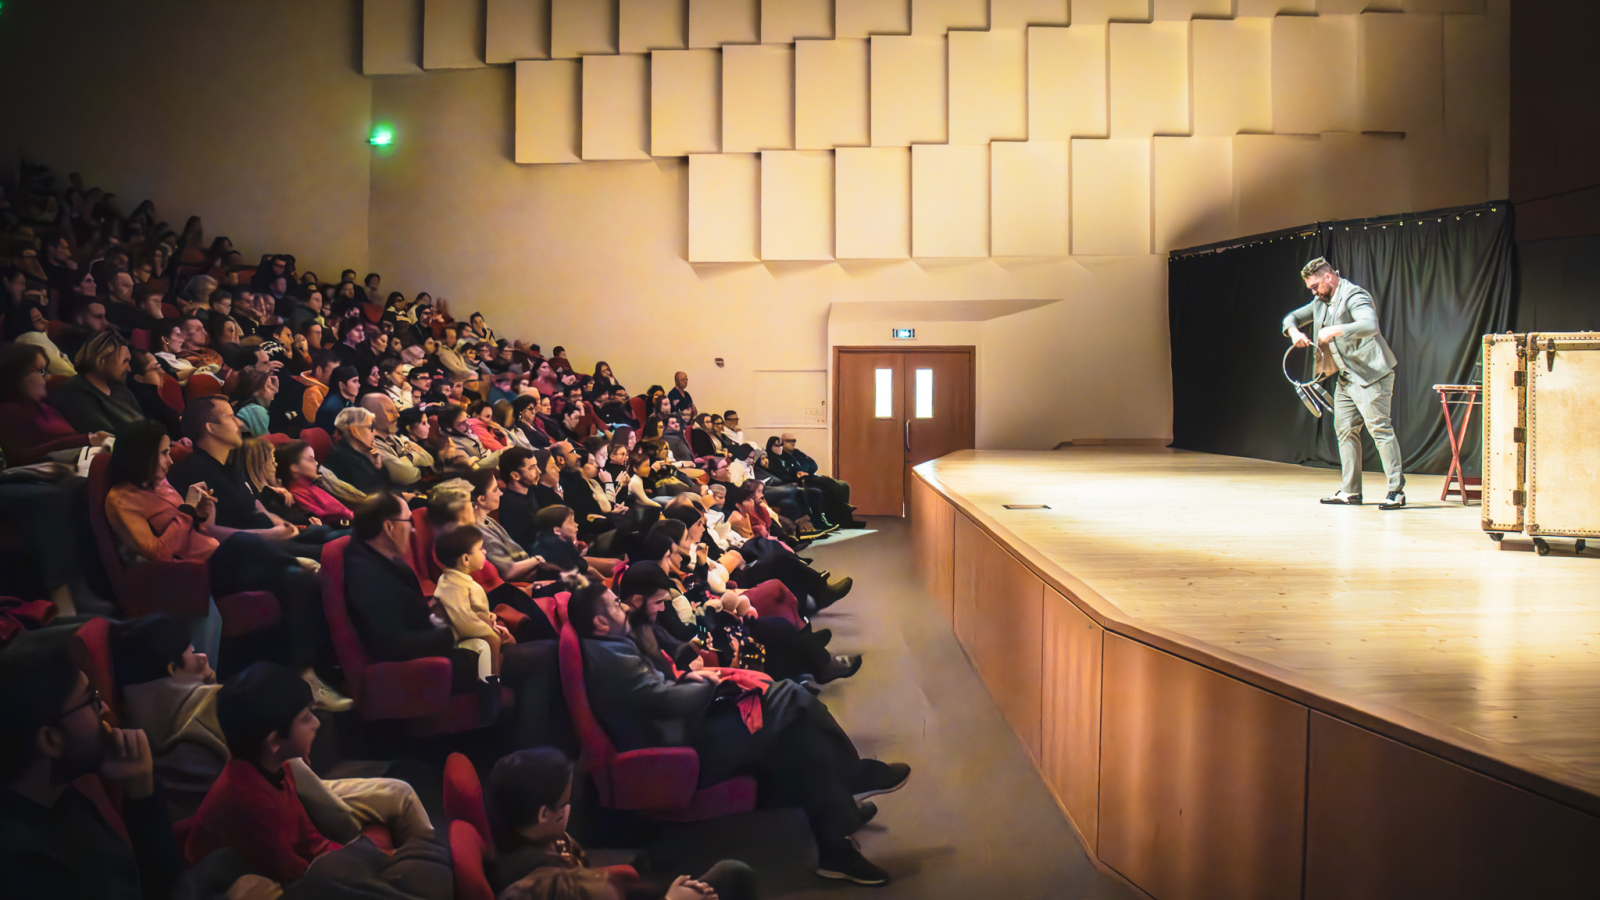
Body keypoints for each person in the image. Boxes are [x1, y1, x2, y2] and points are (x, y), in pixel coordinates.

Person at [569, 579, 910, 885]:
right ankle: (852, 780)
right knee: (793, 698)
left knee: (799, 736)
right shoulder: (611, 657)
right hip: (680, 749)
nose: (623, 605)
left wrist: (689, 680)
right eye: (614, 604)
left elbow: (654, 694)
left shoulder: (611, 646)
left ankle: (837, 833)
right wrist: (705, 684)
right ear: (599, 622)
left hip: (685, 728)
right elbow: (662, 700)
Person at [0, 627, 183, 900]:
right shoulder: (29, 871)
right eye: (91, 700)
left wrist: (141, 791)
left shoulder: (53, 793)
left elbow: (150, 883)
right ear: (50, 739)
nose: (105, 709)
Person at [489, 747, 757, 900]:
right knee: (735, 875)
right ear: (545, 814)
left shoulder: (534, 839)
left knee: (733, 872)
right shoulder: (539, 889)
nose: (570, 809)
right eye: (566, 801)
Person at [183, 662, 341, 881]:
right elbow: (294, 875)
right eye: (306, 717)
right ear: (274, 741)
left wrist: (346, 857)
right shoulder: (248, 801)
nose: (316, 723)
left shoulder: (279, 767)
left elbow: (309, 839)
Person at [1283, 256, 1405, 509]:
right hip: (1346, 378)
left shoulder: (1354, 296)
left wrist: (1335, 330)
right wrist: (1295, 332)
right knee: (1345, 431)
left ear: (1329, 277)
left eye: (1316, 286)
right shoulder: (1320, 301)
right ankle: (1351, 491)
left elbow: (1370, 325)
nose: (1314, 292)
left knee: (1380, 430)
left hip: (1372, 375)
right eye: (1311, 289)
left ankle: (1396, 491)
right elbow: (1291, 318)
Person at [0, 343, 111, 465]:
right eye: (41, 371)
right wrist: (87, 439)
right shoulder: (7, 413)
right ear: (18, 374)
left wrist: (91, 440)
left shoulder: (46, 408)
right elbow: (22, 457)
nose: (47, 378)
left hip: (80, 461)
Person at [433, 525, 513, 682]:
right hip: (457, 640)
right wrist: (489, 632)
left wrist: (488, 619)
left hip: (468, 631)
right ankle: (490, 685)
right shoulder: (451, 585)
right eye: (480, 548)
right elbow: (462, 618)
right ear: (466, 559)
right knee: (490, 643)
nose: (484, 552)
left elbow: (474, 611)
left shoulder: (461, 580)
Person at [49, 329, 145, 436]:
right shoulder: (73, 394)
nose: (129, 369)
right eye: (124, 362)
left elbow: (144, 425)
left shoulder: (121, 390)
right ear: (102, 359)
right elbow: (108, 436)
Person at [324, 405, 390, 494]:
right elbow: (371, 494)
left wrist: (378, 467)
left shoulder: (359, 453)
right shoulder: (342, 459)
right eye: (370, 427)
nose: (374, 433)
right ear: (355, 431)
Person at [314, 364, 360, 432]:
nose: (359, 385)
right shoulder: (332, 408)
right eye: (354, 381)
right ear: (341, 384)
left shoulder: (346, 401)